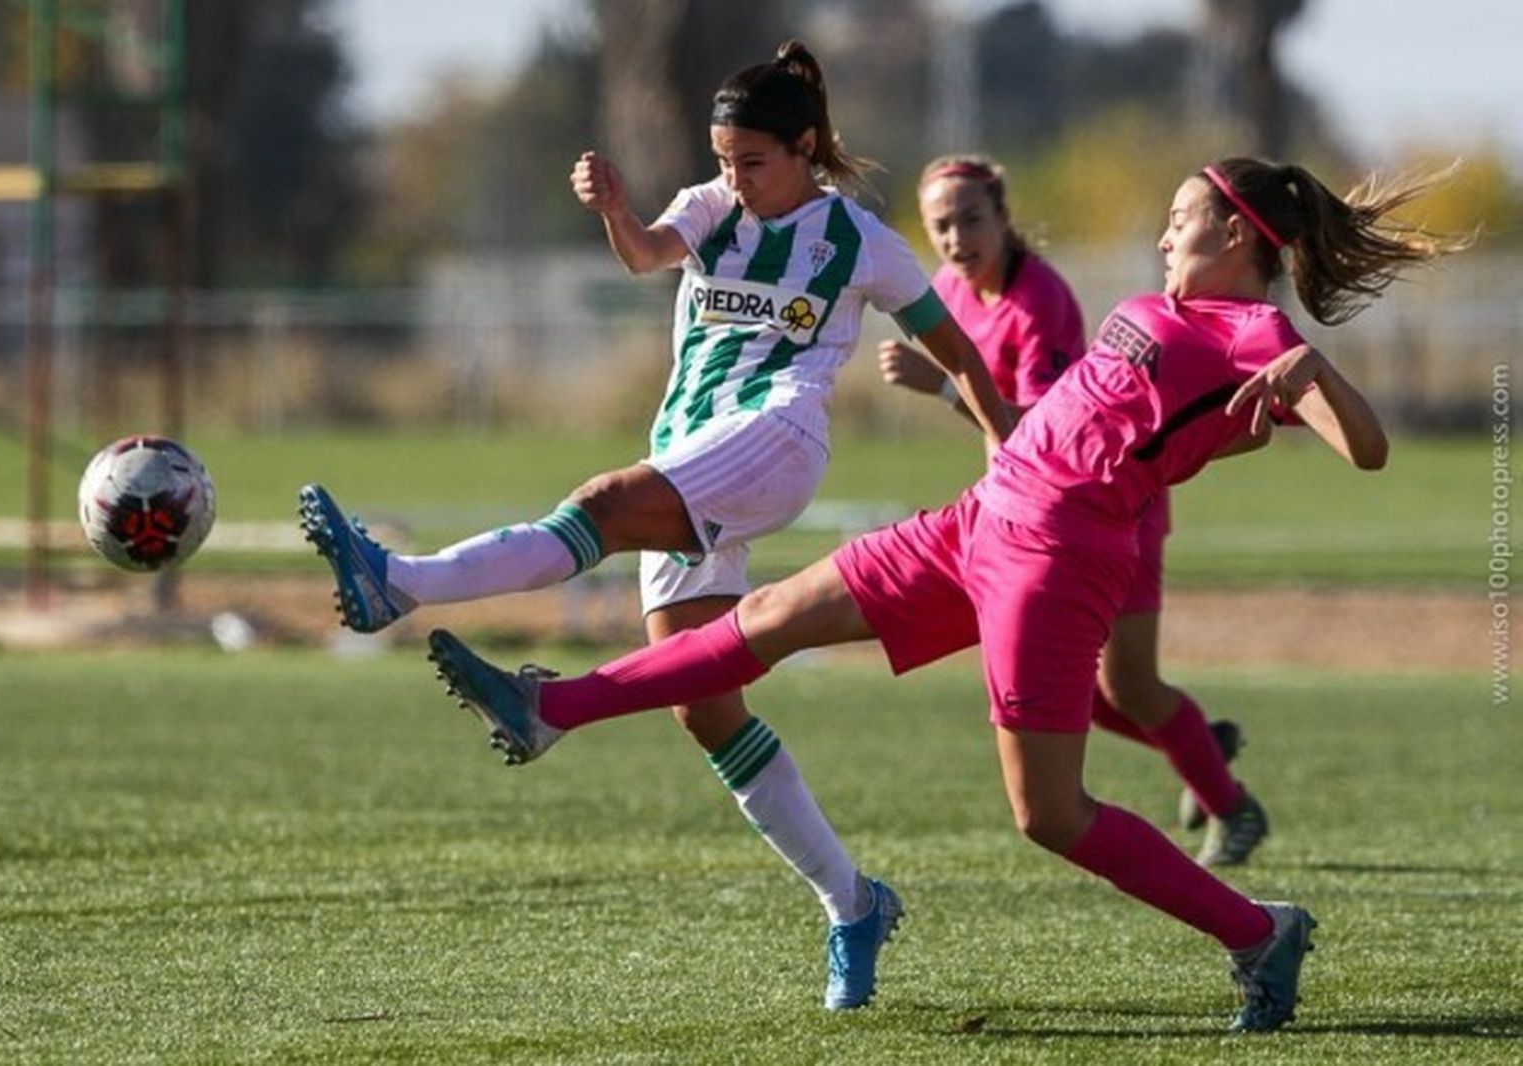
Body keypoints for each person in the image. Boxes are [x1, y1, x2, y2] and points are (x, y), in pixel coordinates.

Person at [426, 157, 1465, 1031]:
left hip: (1058, 561)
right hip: (981, 516)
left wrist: (1307, 377)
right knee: (767, 621)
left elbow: (1366, 451)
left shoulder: (1248, 330)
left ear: (1238, 236)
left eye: (1180, 220)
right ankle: (550, 706)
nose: (1160, 237)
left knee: (1047, 814)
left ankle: (1259, 931)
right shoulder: (1157, 306)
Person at [298, 40, 1012, 1011]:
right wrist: (613, 210)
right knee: (703, 704)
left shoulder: (860, 241)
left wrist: (1010, 456)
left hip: (776, 437)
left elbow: (961, 353)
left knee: (596, 506)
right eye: (723, 160)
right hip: (692, 445)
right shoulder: (712, 206)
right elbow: (644, 255)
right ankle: (853, 903)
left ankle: (401, 583)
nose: (734, 177)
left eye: (752, 162)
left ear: (805, 148)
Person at [877, 154, 1261, 866]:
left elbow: (1032, 422)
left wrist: (940, 388)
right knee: (1049, 688)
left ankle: (1232, 806)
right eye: (941, 225)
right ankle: (1197, 742)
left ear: (1003, 218)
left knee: (1128, 684)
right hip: (1025, 517)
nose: (958, 237)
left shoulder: (1040, 300)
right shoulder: (952, 293)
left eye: (971, 219)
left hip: (1115, 504)